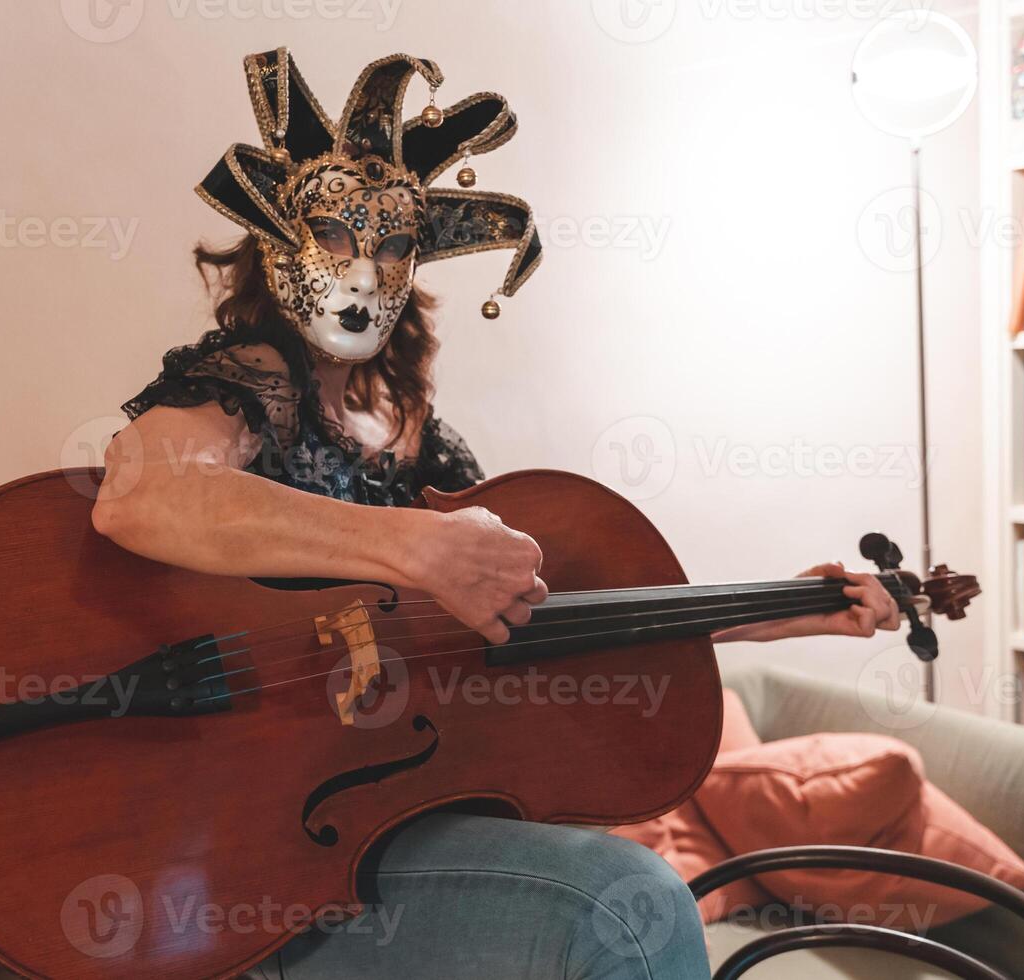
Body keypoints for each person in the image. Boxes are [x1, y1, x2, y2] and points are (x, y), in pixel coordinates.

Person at [92, 48, 898, 980]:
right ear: (275, 242)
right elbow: (141, 494)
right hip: (256, 848)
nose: (363, 275)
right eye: (336, 241)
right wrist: (416, 548)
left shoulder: (423, 442)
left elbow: (523, 625)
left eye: (391, 247)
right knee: (628, 906)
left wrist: (769, 613)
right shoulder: (253, 382)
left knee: (620, 894)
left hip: (386, 824)